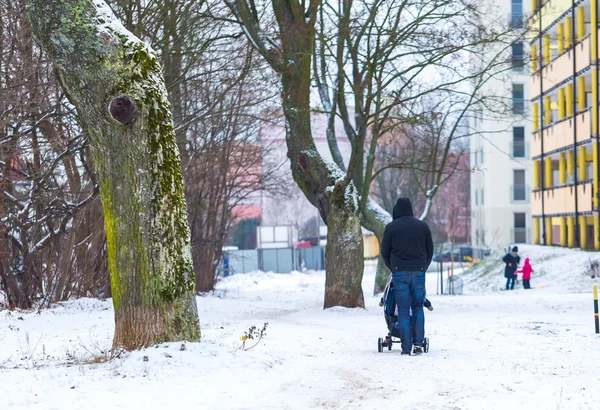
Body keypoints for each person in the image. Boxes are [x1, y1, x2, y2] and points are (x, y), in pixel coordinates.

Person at [381, 197, 434, 355]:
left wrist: (393, 268)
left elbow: (385, 252)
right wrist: (423, 266)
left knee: (403, 310)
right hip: (418, 271)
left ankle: (405, 347)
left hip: (399, 272)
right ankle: (418, 344)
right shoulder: (422, 226)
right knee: (418, 307)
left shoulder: (391, 227)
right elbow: (429, 250)